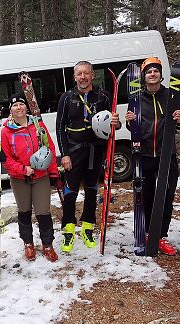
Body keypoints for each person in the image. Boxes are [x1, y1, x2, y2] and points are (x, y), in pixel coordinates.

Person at [125, 57, 180, 255]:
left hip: (166, 155)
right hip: (144, 156)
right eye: (149, 71)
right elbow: (132, 128)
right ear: (143, 76)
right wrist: (129, 121)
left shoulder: (172, 96)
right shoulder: (136, 99)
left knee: (166, 197)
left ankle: (160, 236)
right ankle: (146, 234)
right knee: (147, 196)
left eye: (156, 71)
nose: (152, 74)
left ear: (161, 75)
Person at [56, 61, 121, 253]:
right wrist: (65, 154)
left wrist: (116, 124)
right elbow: (60, 128)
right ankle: (68, 232)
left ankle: (87, 229)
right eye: (79, 74)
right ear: (74, 77)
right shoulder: (67, 98)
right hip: (74, 152)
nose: (82, 77)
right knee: (70, 192)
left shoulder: (103, 96)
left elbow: (113, 125)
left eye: (86, 73)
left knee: (92, 191)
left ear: (92, 75)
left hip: (95, 151)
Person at [1, 92, 59, 262]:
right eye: (14, 105)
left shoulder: (38, 125)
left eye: (21, 104)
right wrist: (22, 169)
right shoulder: (6, 131)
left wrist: (54, 171)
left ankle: (47, 244)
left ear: (26, 106)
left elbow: (50, 148)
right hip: (20, 178)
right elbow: (6, 158)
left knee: (43, 212)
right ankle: (28, 243)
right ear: (10, 110)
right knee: (24, 211)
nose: (18, 107)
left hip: (41, 175)